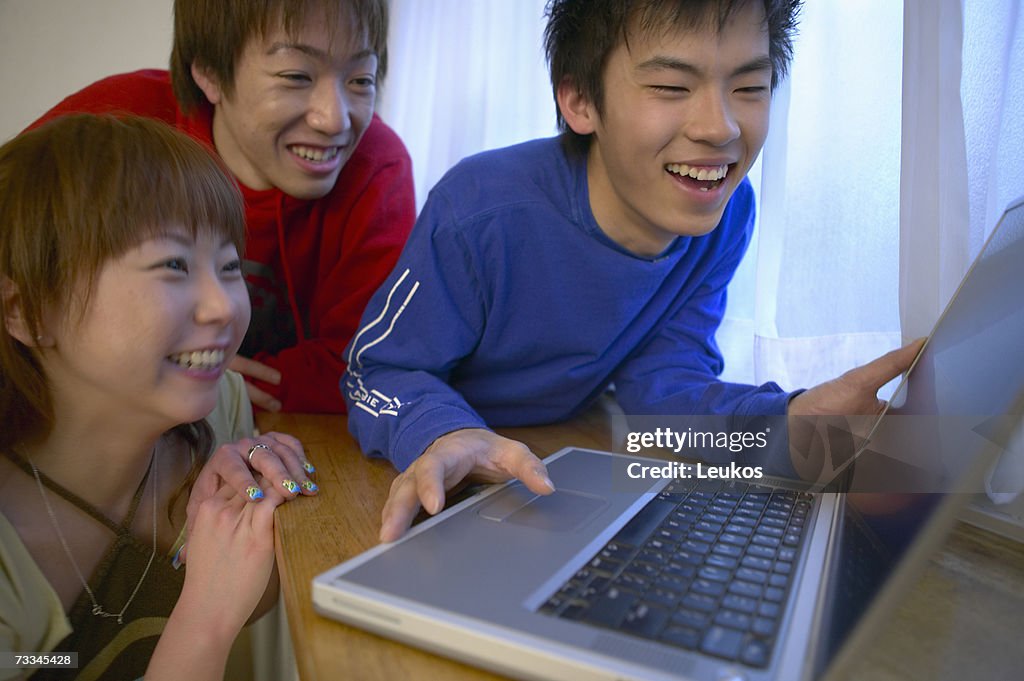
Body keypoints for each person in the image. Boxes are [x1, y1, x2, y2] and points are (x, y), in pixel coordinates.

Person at [342, 0, 923, 542]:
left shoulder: (724, 213)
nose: (719, 128)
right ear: (578, 101)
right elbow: (378, 371)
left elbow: (664, 390)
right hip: (421, 476)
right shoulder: (481, 210)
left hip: (556, 472)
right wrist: (445, 432)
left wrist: (786, 425)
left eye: (750, 86)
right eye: (672, 86)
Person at [0, 114, 316, 680]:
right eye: (172, 264)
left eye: (228, 266)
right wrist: (204, 619)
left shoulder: (221, 405)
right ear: (27, 313)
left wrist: (269, 504)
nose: (223, 306)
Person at [29, 0, 416, 414]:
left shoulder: (377, 167)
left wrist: (205, 381)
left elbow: (371, 369)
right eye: (296, 76)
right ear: (209, 73)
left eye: (360, 80)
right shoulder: (116, 127)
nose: (334, 119)